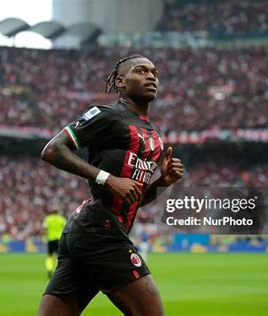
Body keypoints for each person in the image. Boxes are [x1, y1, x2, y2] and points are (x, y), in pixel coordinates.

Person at [38, 55, 184, 315]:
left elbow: (133, 197)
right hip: (99, 230)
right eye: (141, 71)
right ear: (121, 82)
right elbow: (52, 150)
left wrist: (163, 183)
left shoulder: (154, 136)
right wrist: (106, 178)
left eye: (154, 72)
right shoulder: (108, 115)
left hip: (92, 232)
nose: (151, 76)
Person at [42, 207, 67, 279]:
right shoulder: (61, 219)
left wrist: (42, 237)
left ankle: (49, 270)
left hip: (51, 239)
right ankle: (57, 271)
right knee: (59, 256)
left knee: (49, 256)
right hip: (59, 239)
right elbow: (67, 227)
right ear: (57, 212)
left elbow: (44, 228)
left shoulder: (48, 219)